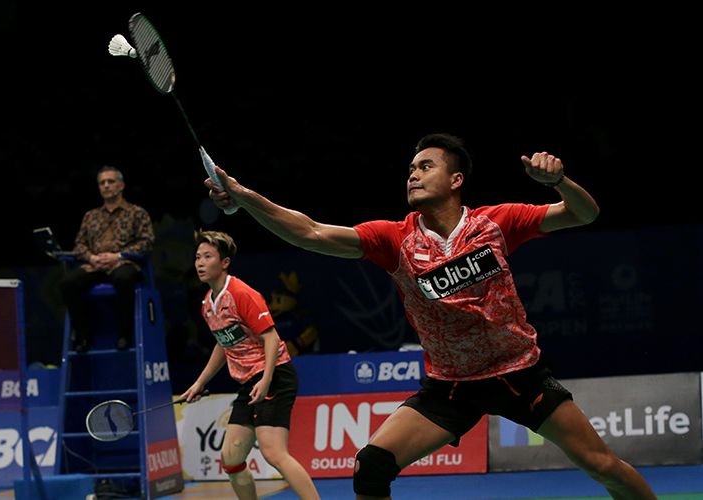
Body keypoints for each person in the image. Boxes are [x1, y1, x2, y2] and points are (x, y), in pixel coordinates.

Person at [203, 134, 657, 499]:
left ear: (456, 179)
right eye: (410, 170)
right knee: (371, 466)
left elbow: (583, 213)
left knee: (604, 468)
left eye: (426, 167)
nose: (413, 176)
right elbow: (310, 232)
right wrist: (244, 197)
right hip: (451, 387)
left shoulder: (495, 223)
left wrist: (559, 181)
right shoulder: (394, 239)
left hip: (519, 375)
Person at [180, 230, 320, 500]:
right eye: (197, 257)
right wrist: (200, 383)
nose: (199, 263)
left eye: (207, 256)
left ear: (224, 262)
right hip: (249, 383)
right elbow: (224, 345)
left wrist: (266, 379)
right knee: (231, 458)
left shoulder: (241, 293)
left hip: (274, 375)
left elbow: (271, 337)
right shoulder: (207, 305)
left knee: (273, 452)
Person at [60, 165, 154, 352]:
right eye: (102, 183)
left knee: (124, 278)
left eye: (110, 181)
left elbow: (146, 242)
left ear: (121, 185)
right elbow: (79, 244)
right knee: (68, 283)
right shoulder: (91, 216)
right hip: (95, 266)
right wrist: (92, 258)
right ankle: (83, 338)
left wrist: (118, 256)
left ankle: (124, 335)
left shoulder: (137, 213)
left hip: (123, 263)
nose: (106, 186)